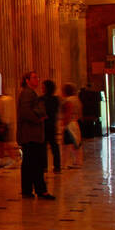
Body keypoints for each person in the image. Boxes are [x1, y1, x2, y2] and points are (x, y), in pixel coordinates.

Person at [17, 70, 54, 199]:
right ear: (27, 80)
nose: (37, 79)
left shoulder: (31, 93)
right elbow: (25, 112)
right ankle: (39, 190)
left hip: (32, 134)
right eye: (34, 77)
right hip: (30, 134)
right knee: (34, 163)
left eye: (37, 77)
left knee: (31, 163)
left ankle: (29, 190)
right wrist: (38, 118)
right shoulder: (27, 93)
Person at [60, 82, 83, 169]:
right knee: (76, 144)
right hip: (75, 122)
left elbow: (68, 113)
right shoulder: (77, 99)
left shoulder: (68, 100)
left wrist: (64, 123)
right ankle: (78, 161)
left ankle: (63, 163)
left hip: (69, 124)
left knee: (66, 145)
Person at [41, 79, 61, 173]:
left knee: (45, 146)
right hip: (51, 124)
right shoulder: (55, 100)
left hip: (45, 124)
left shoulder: (42, 99)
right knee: (53, 146)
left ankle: (45, 166)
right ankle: (56, 166)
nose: (42, 88)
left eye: (43, 87)